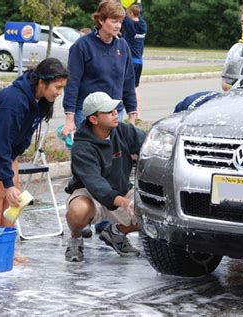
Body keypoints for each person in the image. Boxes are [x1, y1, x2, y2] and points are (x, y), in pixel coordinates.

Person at [0, 58, 68, 232]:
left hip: (4, 142)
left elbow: (20, 135)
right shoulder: (15, 101)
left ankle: (8, 245)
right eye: (57, 87)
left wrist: (11, 177)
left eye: (62, 88)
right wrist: (7, 181)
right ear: (42, 83)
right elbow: (1, 140)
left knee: (14, 192)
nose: (59, 92)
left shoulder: (40, 100)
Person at [64, 91, 146, 262]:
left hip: (121, 191)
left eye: (115, 110)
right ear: (94, 119)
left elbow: (149, 144)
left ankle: (116, 233)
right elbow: (95, 183)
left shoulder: (124, 131)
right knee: (78, 210)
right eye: (109, 112)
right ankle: (75, 238)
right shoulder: (82, 146)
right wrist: (125, 203)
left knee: (153, 212)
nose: (116, 113)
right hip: (90, 194)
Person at [61, 0, 138, 138]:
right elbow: (72, 83)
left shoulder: (123, 45)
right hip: (88, 114)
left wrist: (132, 114)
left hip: (115, 112)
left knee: (113, 155)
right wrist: (69, 118)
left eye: (120, 22)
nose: (118, 26)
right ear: (101, 20)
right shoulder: (82, 46)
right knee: (90, 156)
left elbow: (128, 82)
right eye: (114, 21)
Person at [122, 0, 147, 116]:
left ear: (131, 14)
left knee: (126, 87)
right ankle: (136, 113)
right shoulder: (143, 25)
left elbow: (121, 11)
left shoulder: (129, 24)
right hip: (139, 61)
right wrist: (138, 2)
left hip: (130, 61)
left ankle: (130, 112)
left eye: (128, 13)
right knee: (135, 87)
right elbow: (139, 13)